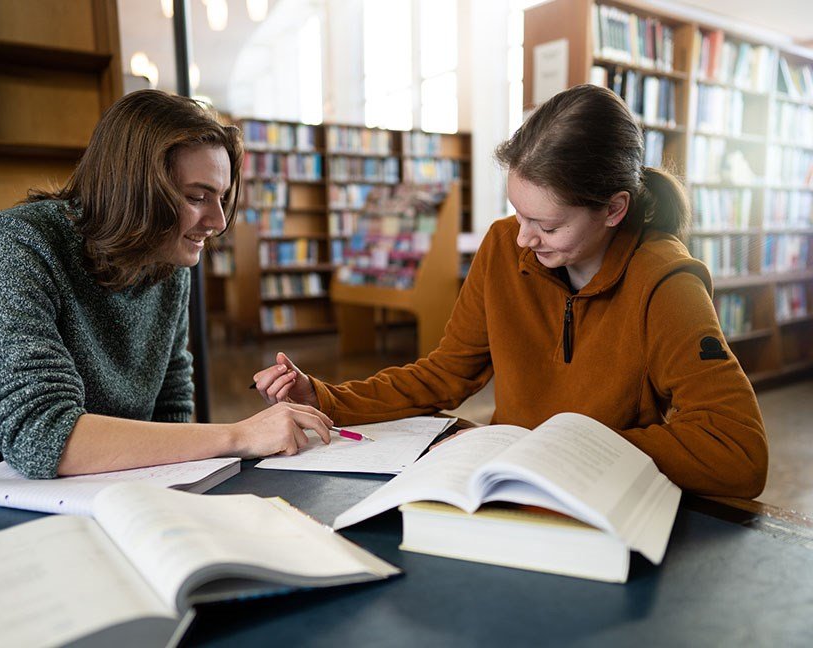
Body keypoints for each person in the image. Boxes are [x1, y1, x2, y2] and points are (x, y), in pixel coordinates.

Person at [253, 84, 768, 498]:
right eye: (518, 212)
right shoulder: (504, 245)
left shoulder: (666, 283)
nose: (523, 238)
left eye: (546, 224)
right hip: (499, 485)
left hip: (593, 497)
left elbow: (737, 450)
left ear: (614, 210)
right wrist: (324, 397)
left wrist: (558, 448)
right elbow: (445, 374)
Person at [0, 89, 331, 479]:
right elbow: (41, 436)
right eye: (197, 197)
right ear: (131, 189)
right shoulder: (10, 246)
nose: (217, 221)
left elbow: (171, 403)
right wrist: (237, 436)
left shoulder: (167, 259)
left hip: (112, 482)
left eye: (221, 197)